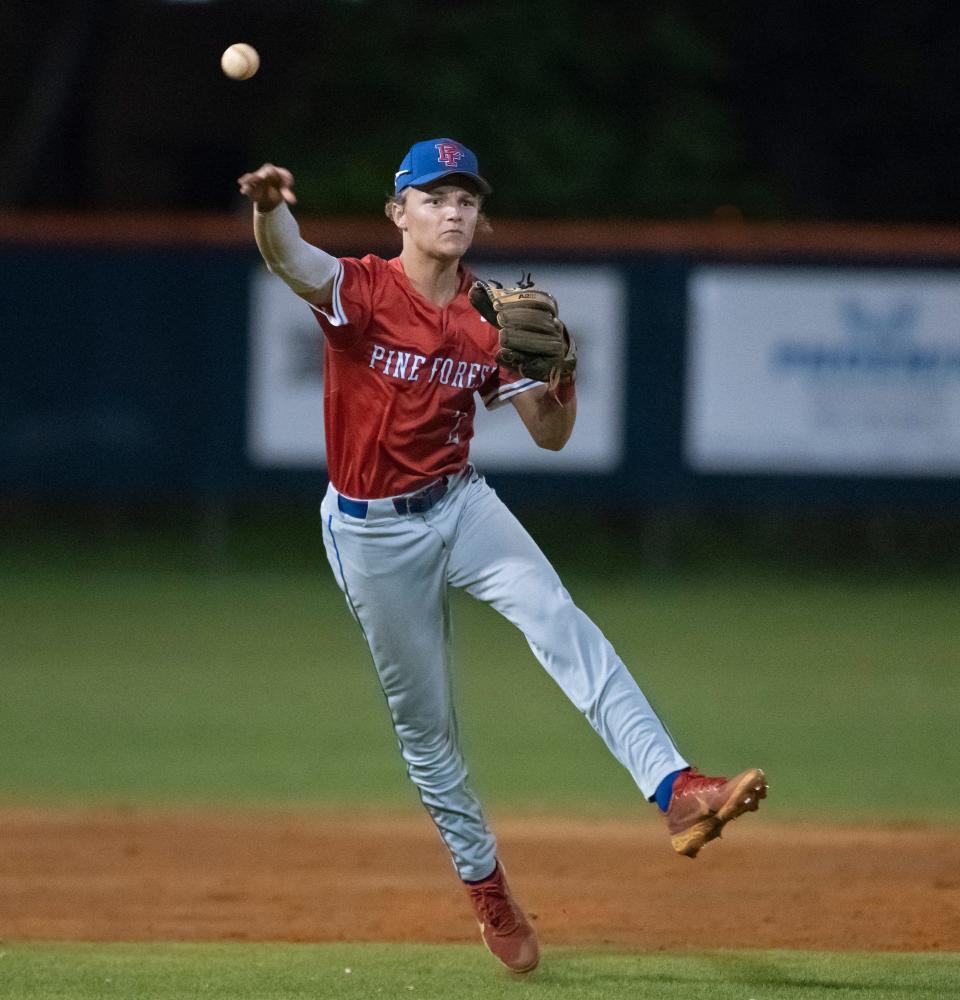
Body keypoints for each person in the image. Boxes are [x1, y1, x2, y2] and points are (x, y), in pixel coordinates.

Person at [237, 138, 767, 975]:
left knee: (560, 618)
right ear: (398, 212)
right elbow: (289, 257)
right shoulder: (361, 291)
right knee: (428, 730)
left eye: (467, 199)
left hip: (460, 502)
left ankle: (678, 790)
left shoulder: (492, 315)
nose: (453, 211)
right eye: (435, 197)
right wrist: (269, 206)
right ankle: (486, 888)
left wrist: (564, 372)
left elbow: (551, 437)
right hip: (372, 529)